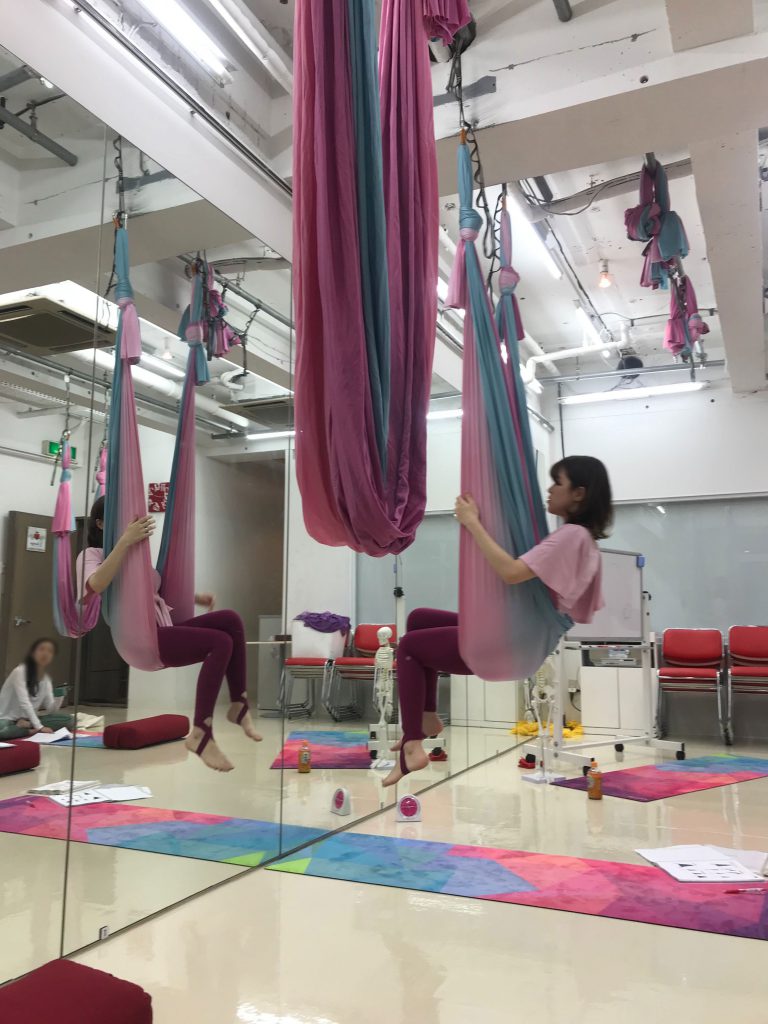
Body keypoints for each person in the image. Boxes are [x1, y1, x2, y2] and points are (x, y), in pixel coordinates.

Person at [383, 455, 613, 787]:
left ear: (578, 493)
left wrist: (472, 522)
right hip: (522, 633)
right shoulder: (585, 540)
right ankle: (428, 716)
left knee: (409, 646)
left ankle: (412, 743)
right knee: (419, 619)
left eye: (557, 483)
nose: (549, 490)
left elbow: (511, 572)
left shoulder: (571, 536)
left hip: (512, 640)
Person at [76, 495, 261, 773]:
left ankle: (239, 703)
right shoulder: (91, 555)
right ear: (100, 524)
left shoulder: (138, 556)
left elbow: (153, 591)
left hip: (162, 629)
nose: (126, 525)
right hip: (141, 640)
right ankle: (201, 732)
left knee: (230, 620)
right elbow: (95, 585)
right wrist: (125, 541)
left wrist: (195, 597)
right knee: (220, 642)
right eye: (118, 520)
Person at [0, 638, 72, 739]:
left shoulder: (46, 679)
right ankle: (29, 731)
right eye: (42, 649)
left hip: (28, 720)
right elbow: (24, 702)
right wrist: (39, 727)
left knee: (69, 720)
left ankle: (25, 727)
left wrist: (59, 696)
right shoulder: (20, 671)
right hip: (6, 719)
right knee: (2, 730)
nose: (45, 654)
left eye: (50, 651)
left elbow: (51, 710)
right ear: (32, 653)